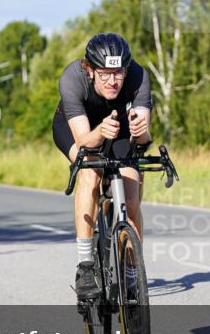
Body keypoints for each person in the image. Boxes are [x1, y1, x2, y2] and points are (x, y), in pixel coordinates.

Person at [51, 33, 152, 301]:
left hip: (118, 128)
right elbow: (84, 141)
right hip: (78, 129)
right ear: (91, 70)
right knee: (90, 173)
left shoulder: (139, 77)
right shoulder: (72, 78)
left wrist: (141, 132)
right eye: (105, 74)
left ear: (126, 69)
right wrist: (101, 132)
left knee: (131, 201)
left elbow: (144, 139)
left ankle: (132, 274)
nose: (112, 81)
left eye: (118, 73)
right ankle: (85, 266)